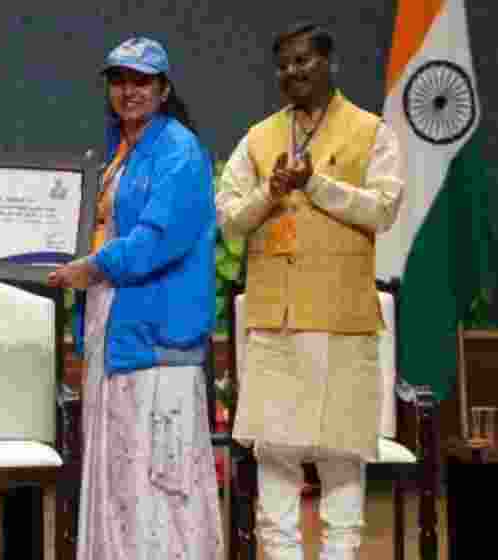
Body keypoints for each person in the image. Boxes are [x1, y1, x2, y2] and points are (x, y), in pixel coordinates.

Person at [216, 22, 404, 560]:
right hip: (277, 320)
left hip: (342, 320)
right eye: (284, 65)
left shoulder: (371, 132)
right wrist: (270, 192)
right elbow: (229, 219)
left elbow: (383, 208)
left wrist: (314, 185)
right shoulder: (258, 137)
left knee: (342, 459)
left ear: (329, 64)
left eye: (303, 61)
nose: (292, 72)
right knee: (275, 458)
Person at [48, 37, 222, 559]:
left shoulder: (179, 151)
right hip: (115, 324)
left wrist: (92, 265)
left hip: (157, 335)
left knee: (160, 473)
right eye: (120, 80)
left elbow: (156, 239)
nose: (129, 90)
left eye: (142, 81)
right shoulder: (119, 151)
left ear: (164, 89)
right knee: (120, 469)